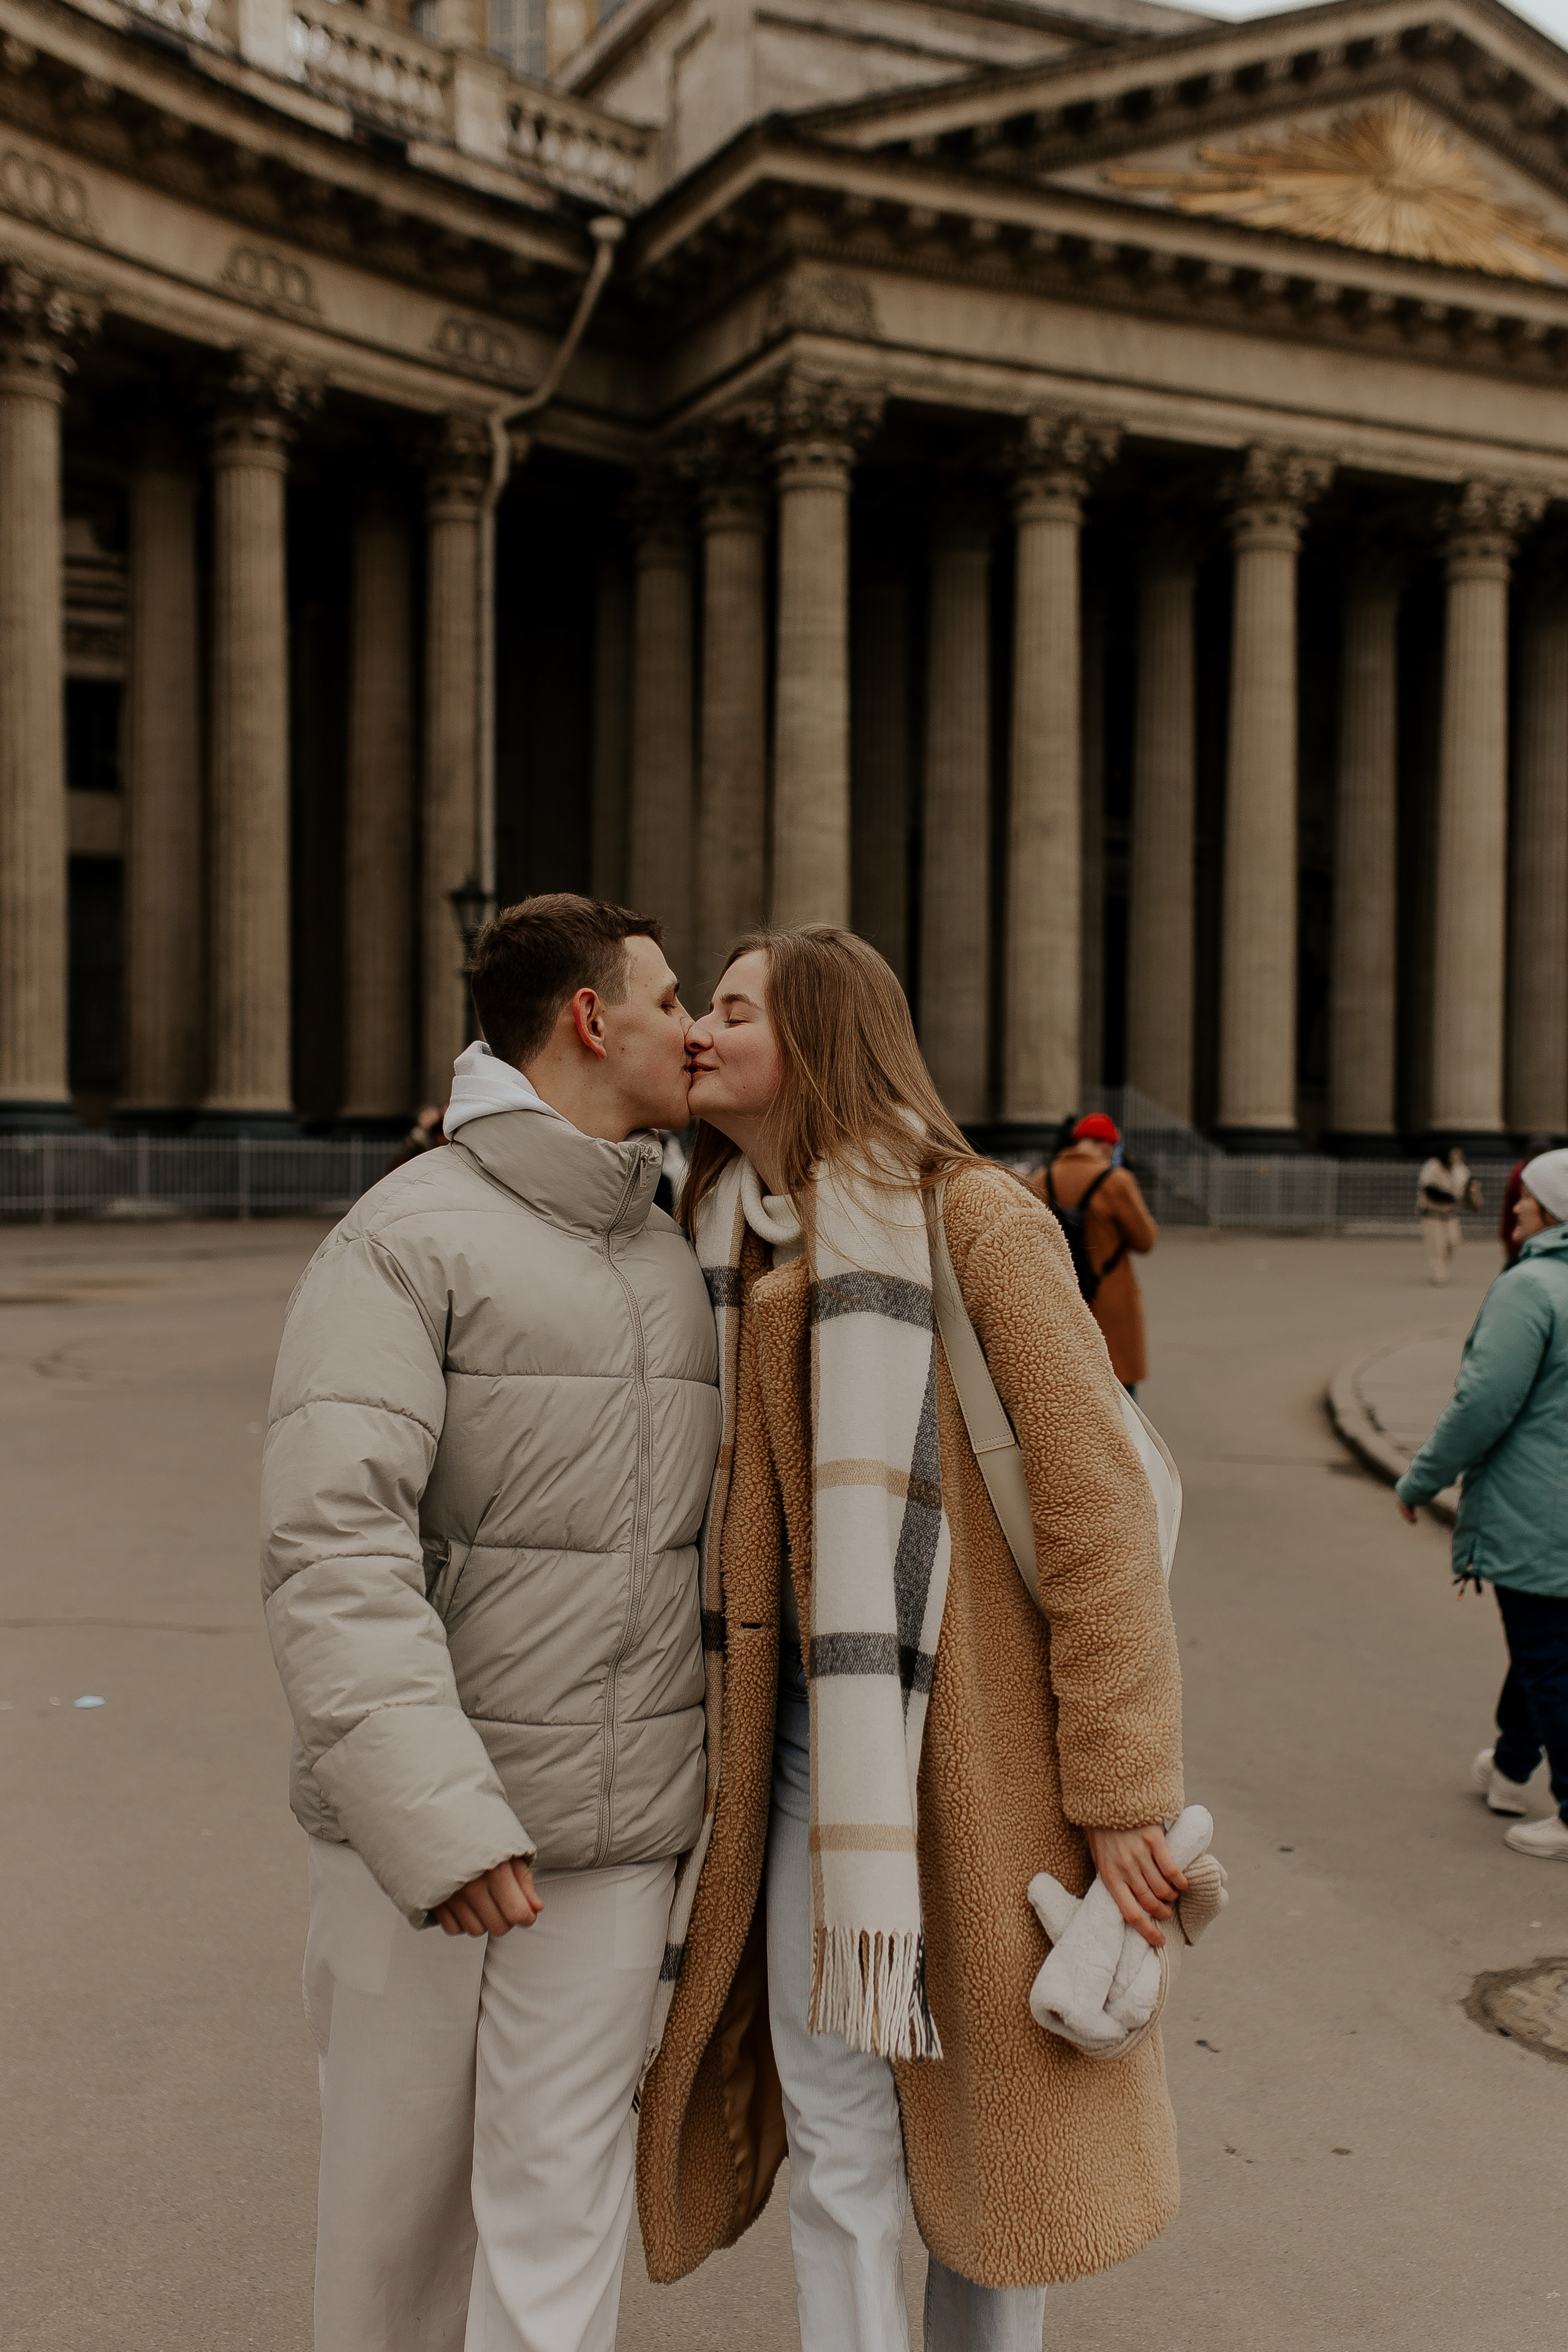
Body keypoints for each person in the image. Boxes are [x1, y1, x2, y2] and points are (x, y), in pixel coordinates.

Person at [636, 926, 1186, 2350]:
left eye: (732, 1009)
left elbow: (1095, 1514)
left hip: (983, 1769)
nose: (698, 1028)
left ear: (818, 1039)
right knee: (837, 2143)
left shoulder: (974, 1220)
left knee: (997, 2159)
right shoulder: (720, 1237)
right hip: (802, 1777)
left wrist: (1119, 1785)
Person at [261, 893, 722, 2352]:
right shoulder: (403, 1237)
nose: (692, 1027)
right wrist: (437, 1818)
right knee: (393, 2238)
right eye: (669, 998)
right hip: (420, 1847)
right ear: (591, 1017)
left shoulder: (673, 1249)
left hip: (616, 1838)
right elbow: (333, 1540)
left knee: (559, 2224)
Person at [1395, 1147, 1568, 1864]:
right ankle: (1510, 1766)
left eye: (1526, 1196)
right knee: (1543, 1642)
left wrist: (1420, 1479)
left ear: (1550, 1209)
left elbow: (1481, 1404)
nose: (1515, 1206)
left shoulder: (1531, 1286)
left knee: (1546, 1654)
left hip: (1539, 1504)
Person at [1028, 1110, 1159, 1395]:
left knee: (1069, 1389)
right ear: (1107, 1146)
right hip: (1110, 1298)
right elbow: (1146, 1241)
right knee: (1120, 1393)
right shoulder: (1116, 1180)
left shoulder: (1042, 1178)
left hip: (1061, 1297)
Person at [1416, 1144, 1482, 1286]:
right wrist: (1450, 1198)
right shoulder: (1433, 1167)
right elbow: (1429, 1189)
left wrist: (1473, 1190)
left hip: (1451, 1215)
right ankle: (1439, 1274)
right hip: (1433, 1215)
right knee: (1437, 1245)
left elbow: (1468, 1183)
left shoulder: (1460, 1169)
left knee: (1453, 1242)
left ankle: (1443, 1266)